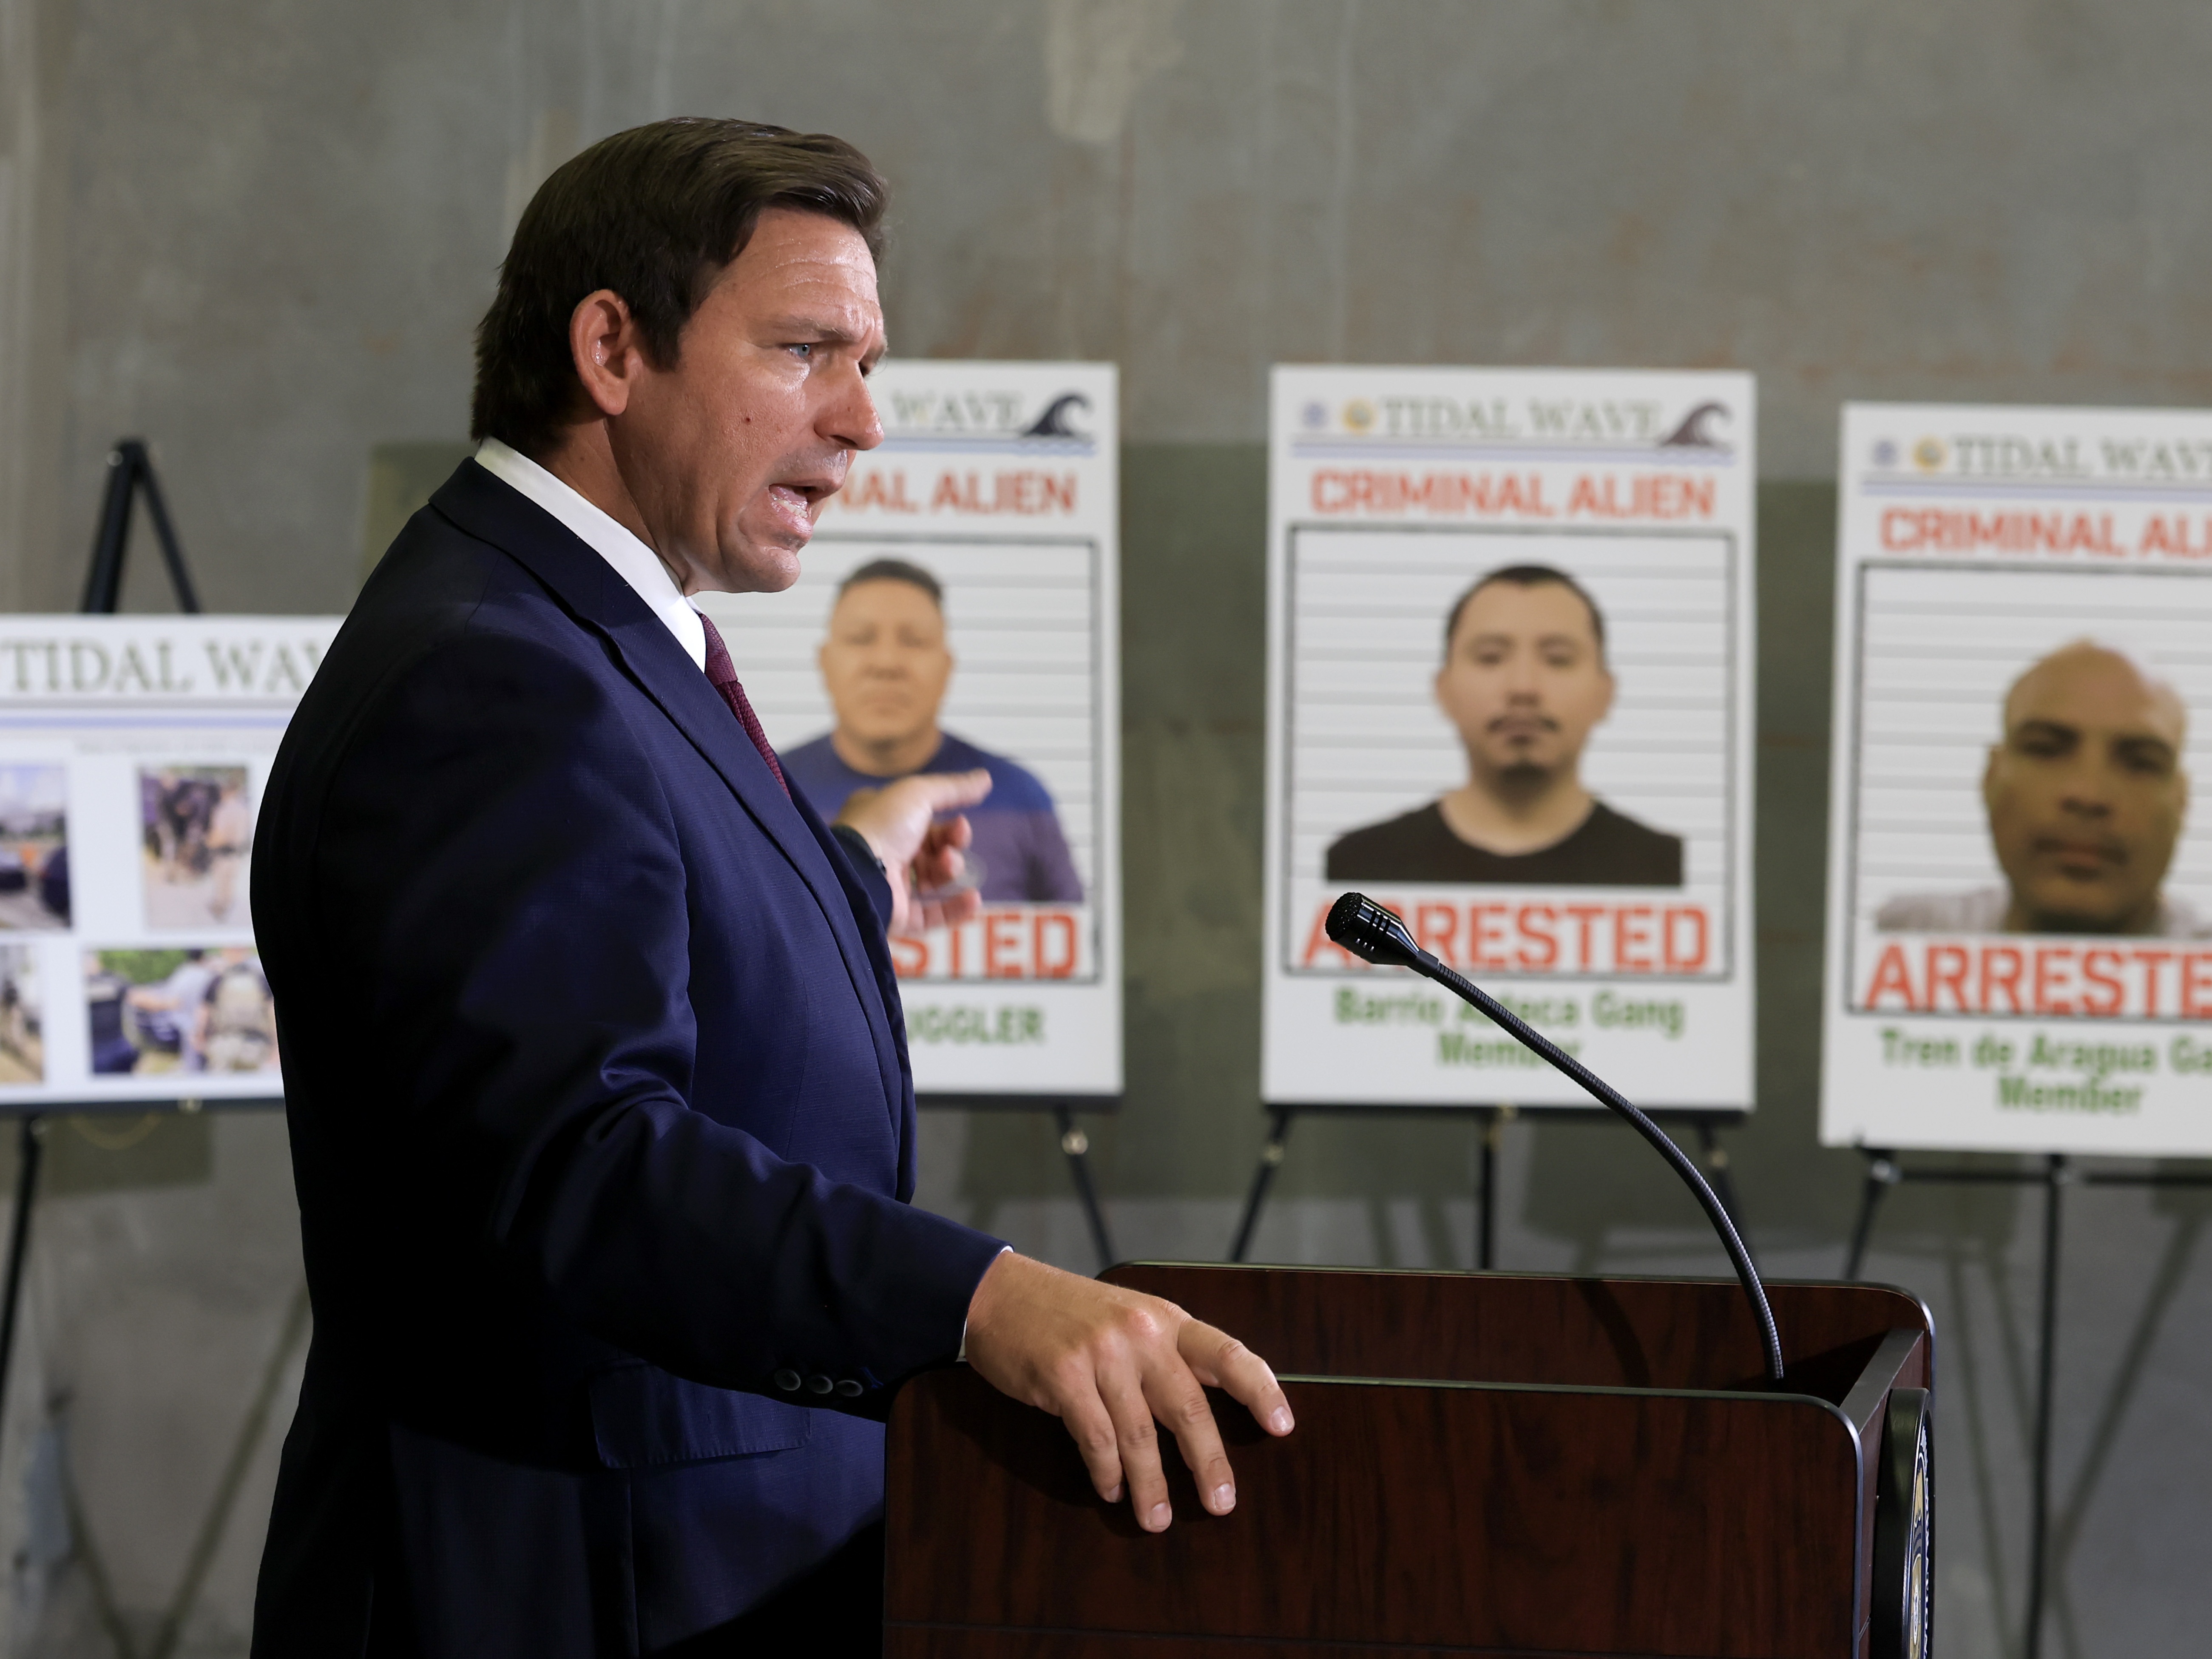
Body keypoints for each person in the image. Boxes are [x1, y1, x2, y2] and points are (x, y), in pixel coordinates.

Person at [250, 120, 1289, 1659]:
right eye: (808, 350)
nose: (864, 419)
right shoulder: (491, 674)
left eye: (869, 362)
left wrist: (843, 874)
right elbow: (585, 1155)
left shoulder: (582, 625)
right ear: (612, 345)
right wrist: (982, 1298)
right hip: (575, 1584)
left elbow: (621, 928)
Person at [1326, 564, 1683, 885]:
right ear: (1443, 689)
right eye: (1490, 657)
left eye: (1557, 659)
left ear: (1606, 693)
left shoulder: (1669, 871)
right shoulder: (1357, 868)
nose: (1523, 688)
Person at [781, 558, 1084, 905]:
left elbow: (1077, 938)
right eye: (860, 638)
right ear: (825, 662)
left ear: (946, 668)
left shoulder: (1021, 797)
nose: (886, 664)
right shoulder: (768, 788)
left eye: (914, 641)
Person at [1878, 640, 2205, 936]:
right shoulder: (1892, 939)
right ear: (1991, 778)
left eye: (2140, 763)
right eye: (2045, 749)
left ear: (2181, 801)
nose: (2088, 795)